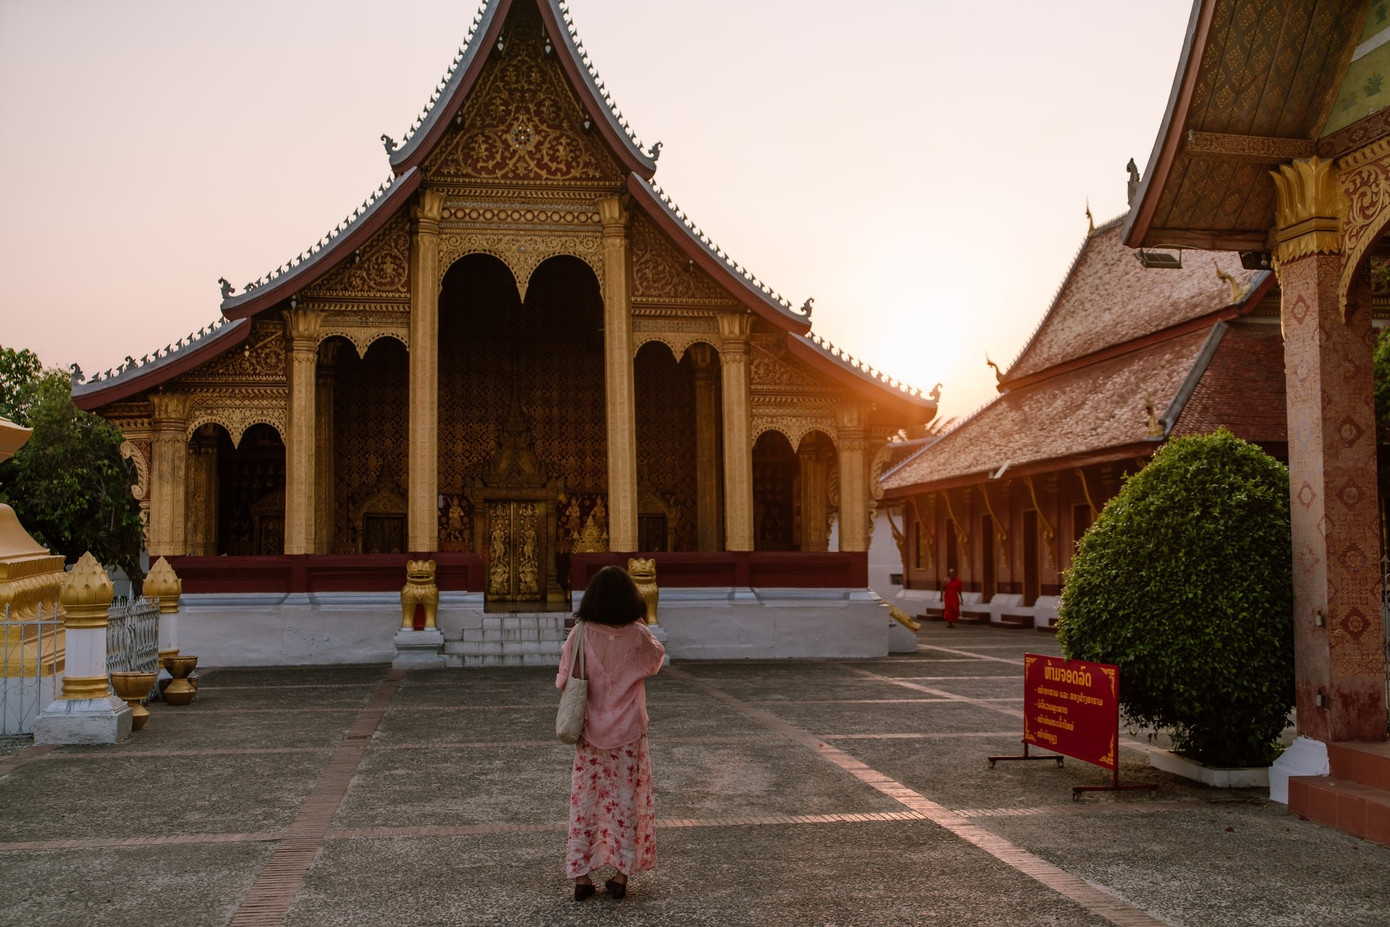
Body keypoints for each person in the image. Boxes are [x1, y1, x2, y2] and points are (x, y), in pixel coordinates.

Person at [556, 565, 666, 901]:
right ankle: (620, 876)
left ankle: (582, 877)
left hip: (590, 730)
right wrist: (640, 624)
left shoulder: (580, 633)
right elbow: (656, 661)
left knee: (585, 802)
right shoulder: (638, 635)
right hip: (628, 731)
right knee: (625, 801)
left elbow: (563, 678)